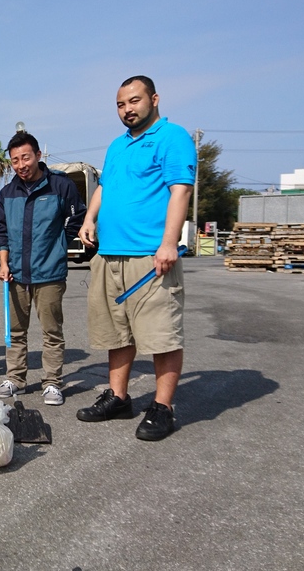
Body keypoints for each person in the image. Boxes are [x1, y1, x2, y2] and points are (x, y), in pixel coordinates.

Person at [76, 75, 196, 441]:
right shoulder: (117, 146)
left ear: (154, 99)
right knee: (117, 332)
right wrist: (88, 218)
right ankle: (118, 397)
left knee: (160, 334)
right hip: (110, 255)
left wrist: (168, 243)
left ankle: (163, 407)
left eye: (134, 101)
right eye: (120, 104)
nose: (127, 109)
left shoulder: (173, 137)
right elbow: (105, 187)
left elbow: (180, 191)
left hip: (149, 255)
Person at [0, 131, 85, 404]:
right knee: (16, 332)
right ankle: (15, 378)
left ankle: (52, 382)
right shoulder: (8, 193)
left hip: (50, 274)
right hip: (16, 274)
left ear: (38, 155)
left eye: (26, 157)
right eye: (15, 160)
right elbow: (1, 230)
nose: (21, 165)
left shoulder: (60, 186)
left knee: (51, 331)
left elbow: (77, 219)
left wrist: (59, 247)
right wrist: (3, 263)